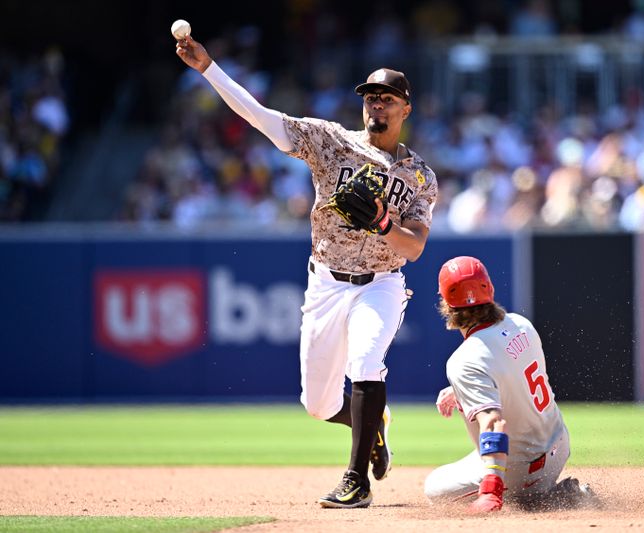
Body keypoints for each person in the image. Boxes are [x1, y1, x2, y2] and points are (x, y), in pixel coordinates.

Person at [176, 35, 438, 508]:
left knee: (365, 363)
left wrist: (382, 223)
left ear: (405, 109)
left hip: (381, 285)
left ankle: (356, 480)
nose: (376, 104)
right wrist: (209, 69)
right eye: (370, 97)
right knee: (317, 405)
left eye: (387, 98)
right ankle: (372, 425)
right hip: (326, 283)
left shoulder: (420, 177)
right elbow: (263, 117)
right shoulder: (330, 141)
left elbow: (415, 247)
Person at [424, 256, 592, 513]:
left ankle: (546, 499)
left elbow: (493, 423)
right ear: (489, 289)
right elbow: (510, 374)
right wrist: (461, 391)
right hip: (560, 444)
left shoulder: (463, 360)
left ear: (446, 303)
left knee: (434, 487)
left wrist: (491, 490)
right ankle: (549, 492)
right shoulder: (520, 324)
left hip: (523, 470)